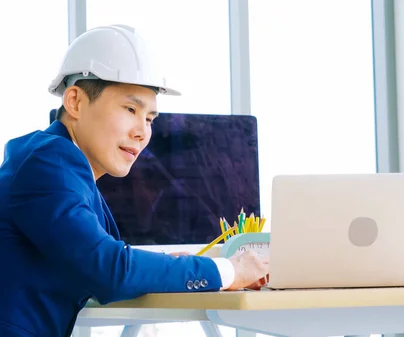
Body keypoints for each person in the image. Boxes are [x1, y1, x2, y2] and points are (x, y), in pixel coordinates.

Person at [0, 25, 268, 337]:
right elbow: (110, 270)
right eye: (130, 109)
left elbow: (105, 258)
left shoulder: (67, 169)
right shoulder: (46, 164)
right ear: (75, 102)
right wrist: (227, 270)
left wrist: (171, 266)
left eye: (150, 119)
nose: (142, 132)